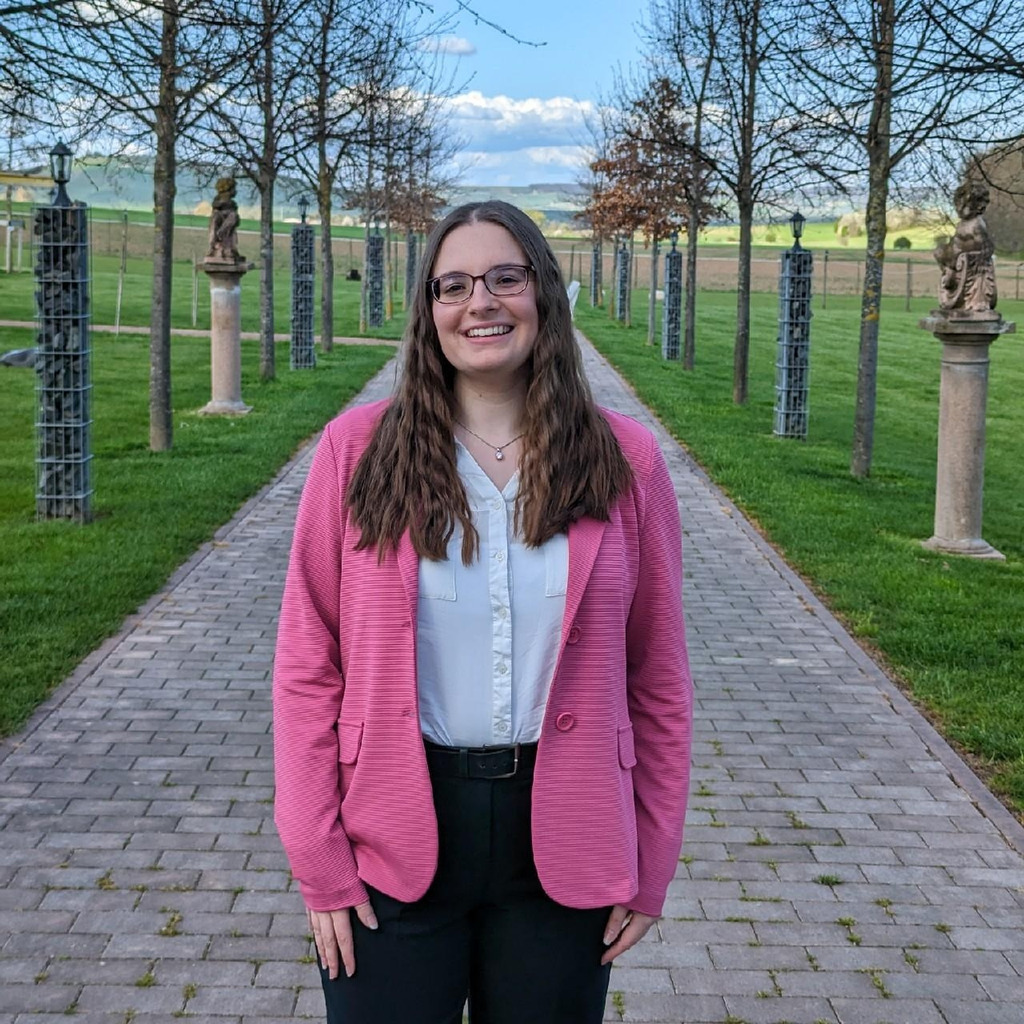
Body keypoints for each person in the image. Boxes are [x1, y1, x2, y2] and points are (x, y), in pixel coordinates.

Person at [273, 200, 693, 1024]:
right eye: (453, 285)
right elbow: (304, 666)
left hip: (566, 839)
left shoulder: (627, 462)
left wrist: (654, 859)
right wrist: (317, 855)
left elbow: (659, 681)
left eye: (507, 277)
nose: (482, 303)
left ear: (544, 292)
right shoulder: (355, 452)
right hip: (389, 836)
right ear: (429, 312)